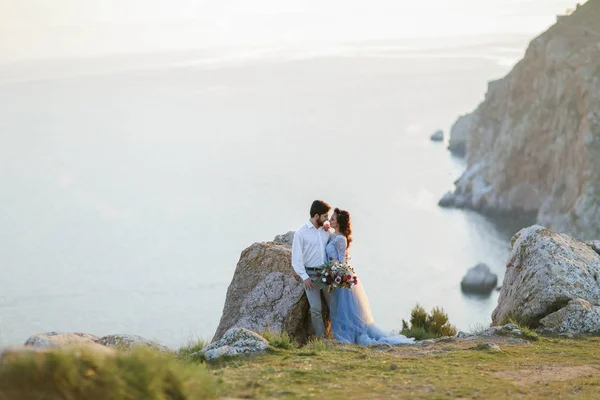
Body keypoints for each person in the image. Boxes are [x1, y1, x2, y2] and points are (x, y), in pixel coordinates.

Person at [327, 208, 414, 345]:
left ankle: (350, 336)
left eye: (332, 219)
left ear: (338, 223)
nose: (329, 220)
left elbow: (342, 262)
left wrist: (334, 274)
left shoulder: (340, 239)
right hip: (335, 275)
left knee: (346, 311)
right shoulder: (333, 235)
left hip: (340, 277)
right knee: (340, 309)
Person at [291, 200, 332, 338]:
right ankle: (322, 339)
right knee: (315, 309)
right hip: (311, 276)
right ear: (316, 216)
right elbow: (296, 260)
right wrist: (305, 277)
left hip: (327, 275)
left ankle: (338, 335)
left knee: (335, 306)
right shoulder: (301, 233)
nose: (327, 219)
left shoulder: (326, 232)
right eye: (325, 216)